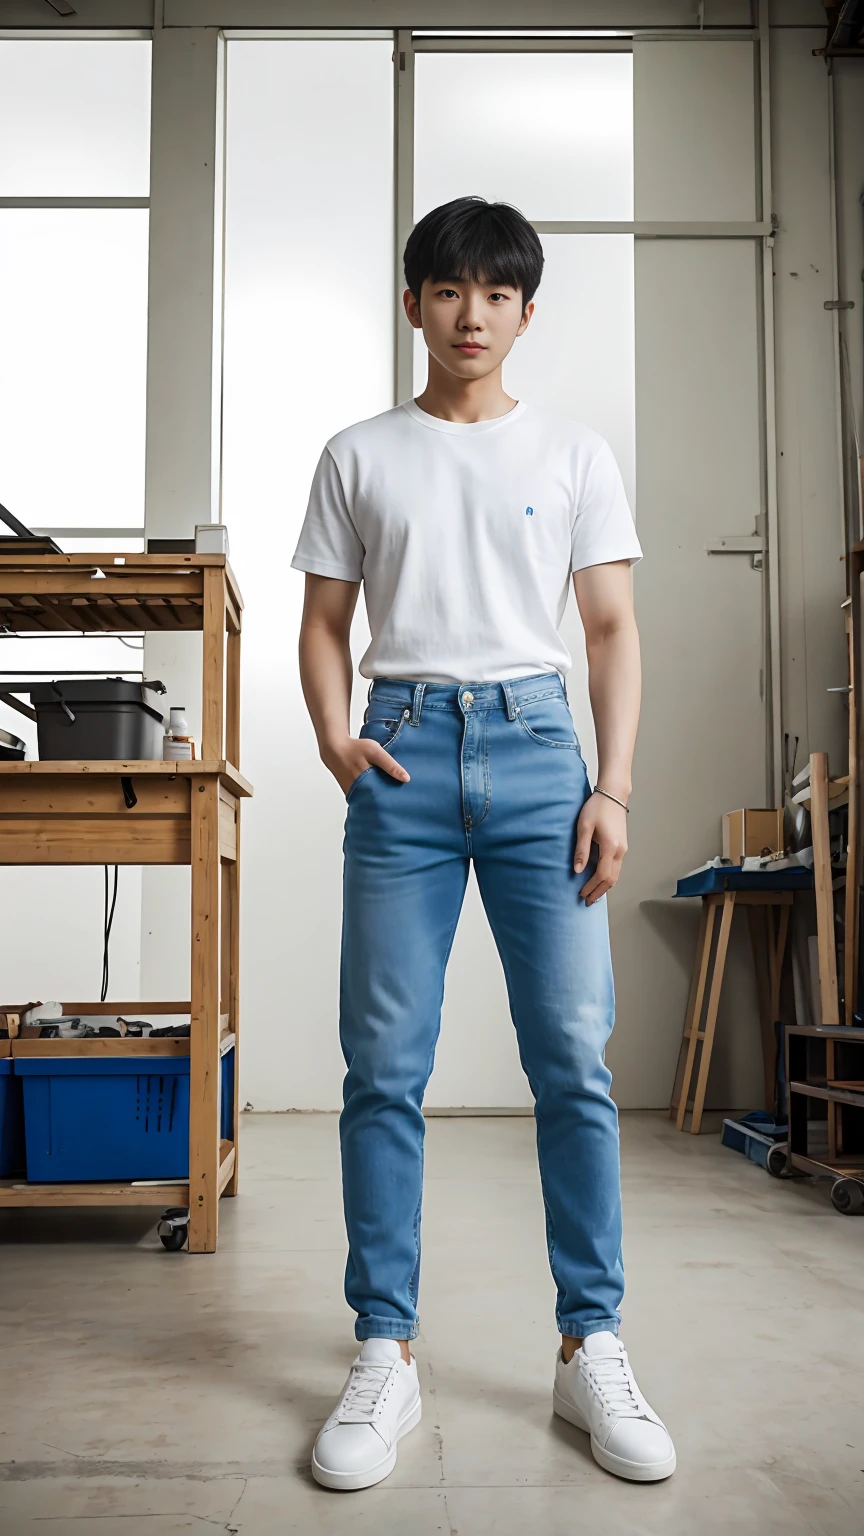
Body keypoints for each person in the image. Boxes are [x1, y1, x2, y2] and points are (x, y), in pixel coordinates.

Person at [291, 195, 675, 1492]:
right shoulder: (359, 453)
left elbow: (611, 633)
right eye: (447, 290)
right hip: (400, 759)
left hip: (536, 756)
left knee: (571, 1054)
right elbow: (326, 623)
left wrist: (610, 788)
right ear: (413, 303)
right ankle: (384, 1353)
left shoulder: (571, 453)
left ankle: (591, 1344)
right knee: (383, 1066)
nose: (471, 315)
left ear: (524, 312)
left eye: (496, 295)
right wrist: (342, 742)